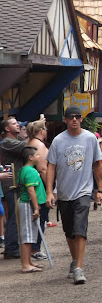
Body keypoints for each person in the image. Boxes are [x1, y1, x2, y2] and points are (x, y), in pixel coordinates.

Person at [46, 106, 102, 284]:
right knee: (69, 231)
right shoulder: (58, 141)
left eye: (77, 117)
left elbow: (97, 164)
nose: (74, 120)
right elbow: (51, 166)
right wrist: (50, 191)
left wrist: (99, 189)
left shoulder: (89, 138)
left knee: (80, 229)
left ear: (81, 119)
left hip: (83, 191)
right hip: (64, 192)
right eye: (70, 117)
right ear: (64, 120)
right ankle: (74, 260)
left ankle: (79, 268)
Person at [1, 117, 27, 259]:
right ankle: (11, 248)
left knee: (15, 215)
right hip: (11, 184)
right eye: (14, 123)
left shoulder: (14, 141)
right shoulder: (7, 142)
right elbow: (27, 148)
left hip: (15, 183)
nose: (17, 125)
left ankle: (12, 246)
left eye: (18, 123)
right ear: (6, 128)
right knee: (14, 216)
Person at [17, 146, 46, 273]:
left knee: (30, 234)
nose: (39, 157)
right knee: (27, 235)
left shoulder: (25, 170)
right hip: (28, 205)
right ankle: (25, 264)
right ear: (30, 157)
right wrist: (35, 208)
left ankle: (28, 261)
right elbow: (30, 190)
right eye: (37, 155)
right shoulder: (30, 171)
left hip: (27, 204)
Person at [25, 120, 50, 260]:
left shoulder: (29, 142)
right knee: (40, 217)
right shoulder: (38, 145)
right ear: (42, 131)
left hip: (34, 183)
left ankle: (34, 248)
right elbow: (42, 168)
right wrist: (50, 190)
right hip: (39, 185)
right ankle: (35, 249)